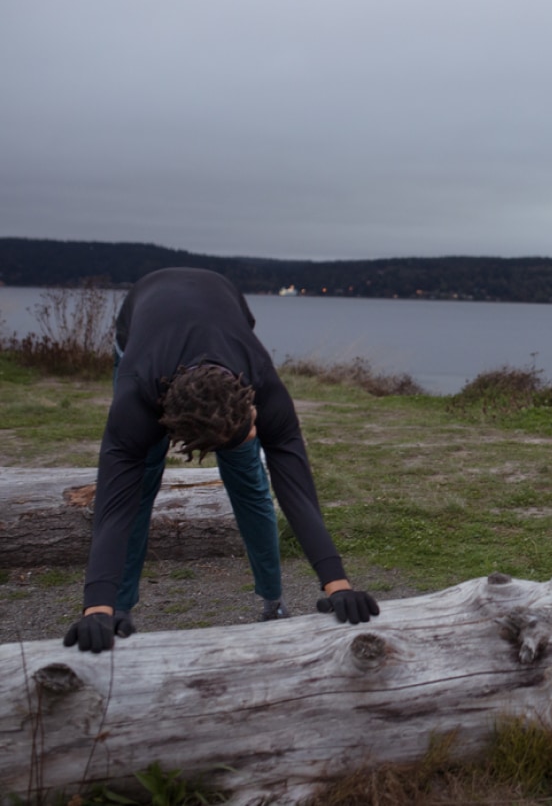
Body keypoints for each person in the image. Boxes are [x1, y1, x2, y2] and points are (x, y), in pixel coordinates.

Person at [63, 267, 379, 653]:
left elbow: (294, 483)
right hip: (141, 326)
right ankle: (119, 609)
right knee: (140, 479)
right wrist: (96, 605)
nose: (256, 433)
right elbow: (116, 502)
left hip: (222, 303)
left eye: (251, 428)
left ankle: (273, 603)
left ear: (249, 401)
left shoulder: (261, 382)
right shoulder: (135, 399)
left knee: (248, 475)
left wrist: (337, 583)